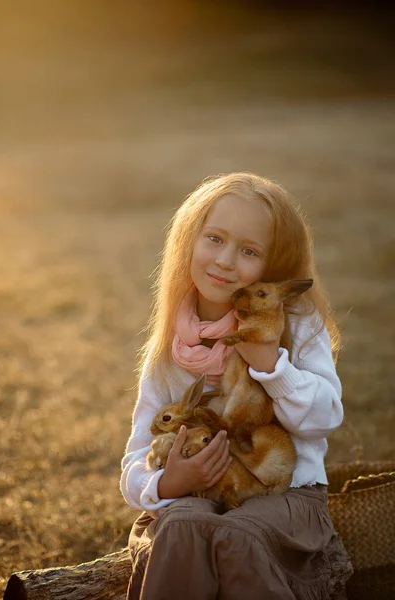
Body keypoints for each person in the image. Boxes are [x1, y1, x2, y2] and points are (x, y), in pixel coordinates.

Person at [120, 172, 353, 599]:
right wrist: (167, 483)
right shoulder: (172, 343)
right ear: (189, 240)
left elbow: (325, 418)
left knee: (239, 537)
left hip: (284, 496)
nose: (226, 260)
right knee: (184, 529)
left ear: (274, 267)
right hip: (197, 495)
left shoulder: (295, 324)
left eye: (248, 250)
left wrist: (270, 364)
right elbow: (136, 455)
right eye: (214, 239)